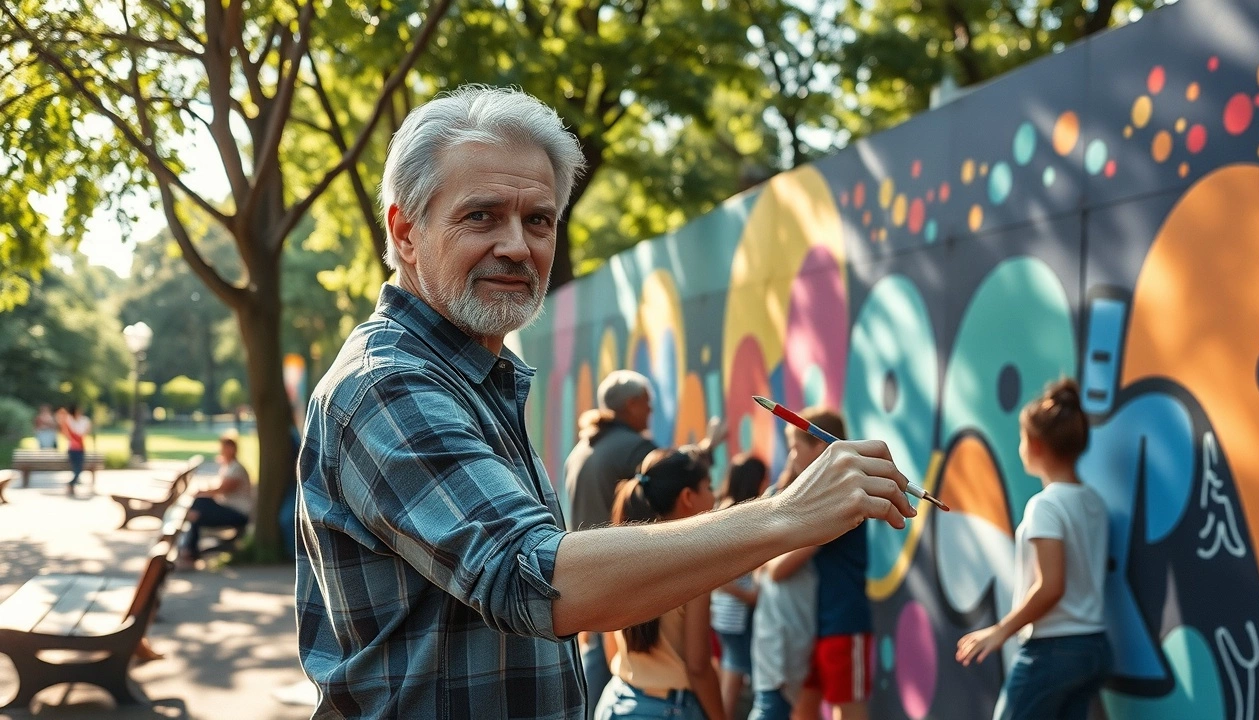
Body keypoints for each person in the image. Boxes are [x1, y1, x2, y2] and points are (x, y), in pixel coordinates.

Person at [295, 84, 916, 719]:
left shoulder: (478, 375)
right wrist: (788, 513)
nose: (517, 245)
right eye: (481, 215)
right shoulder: (387, 382)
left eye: (538, 219)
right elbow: (530, 578)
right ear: (405, 231)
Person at [565, 371, 728, 712]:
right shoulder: (635, 449)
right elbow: (673, 474)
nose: (651, 413)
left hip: (602, 582)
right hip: (645, 563)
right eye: (647, 405)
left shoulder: (580, 451)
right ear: (632, 404)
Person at [956, 379, 1110, 720]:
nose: (1020, 446)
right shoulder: (1094, 503)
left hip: (1052, 651)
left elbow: (1052, 586)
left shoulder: (1045, 506)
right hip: (1093, 647)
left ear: (1036, 446)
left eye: (1023, 438)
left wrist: (1000, 631)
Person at [596, 447, 726, 720]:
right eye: (709, 487)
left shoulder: (617, 556)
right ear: (688, 497)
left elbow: (610, 645)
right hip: (669, 708)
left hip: (617, 699)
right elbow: (699, 666)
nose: (715, 497)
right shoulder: (694, 565)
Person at [748, 409, 858, 720]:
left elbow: (777, 567)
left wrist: (768, 557)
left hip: (838, 621)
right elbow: (762, 564)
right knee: (799, 710)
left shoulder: (841, 494)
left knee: (841, 709)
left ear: (821, 448)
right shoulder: (794, 494)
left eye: (796, 446)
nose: (791, 455)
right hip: (806, 625)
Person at [709, 453, 768, 719]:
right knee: (735, 670)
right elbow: (721, 574)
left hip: (723, 612)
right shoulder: (740, 514)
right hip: (737, 611)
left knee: (731, 668)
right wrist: (747, 594)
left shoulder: (722, 508)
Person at [179, 432, 252, 569]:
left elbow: (223, 489)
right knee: (198, 513)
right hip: (229, 508)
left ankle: (188, 551)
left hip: (238, 512)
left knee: (199, 505)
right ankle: (189, 550)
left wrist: (201, 492)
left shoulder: (236, 468)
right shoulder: (228, 467)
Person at [57, 404, 91, 497]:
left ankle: (71, 484)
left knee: (79, 469)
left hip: (80, 448)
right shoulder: (69, 421)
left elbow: (86, 430)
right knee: (77, 469)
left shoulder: (82, 421)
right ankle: (71, 484)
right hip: (73, 448)